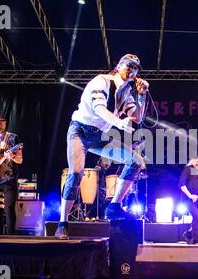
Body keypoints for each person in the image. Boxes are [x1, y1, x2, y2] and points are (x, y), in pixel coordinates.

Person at [56, 54, 149, 239]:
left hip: (99, 136)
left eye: (136, 68)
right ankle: (62, 223)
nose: (132, 70)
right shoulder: (102, 81)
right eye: (128, 66)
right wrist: (119, 123)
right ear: (119, 66)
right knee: (76, 173)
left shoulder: (126, 93)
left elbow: (137, 117)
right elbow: (99, 108)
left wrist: (142, 96)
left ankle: (114, 207)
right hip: (79, 131)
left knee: (136, 161)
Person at [178, 157, 198, 244]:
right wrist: (190, 196)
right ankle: (195, 241)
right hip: (188, 199)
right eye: (197, 161)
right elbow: (181, 185)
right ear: (192, 160)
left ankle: (188, 234)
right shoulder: (188, 169)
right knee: (197, 216)